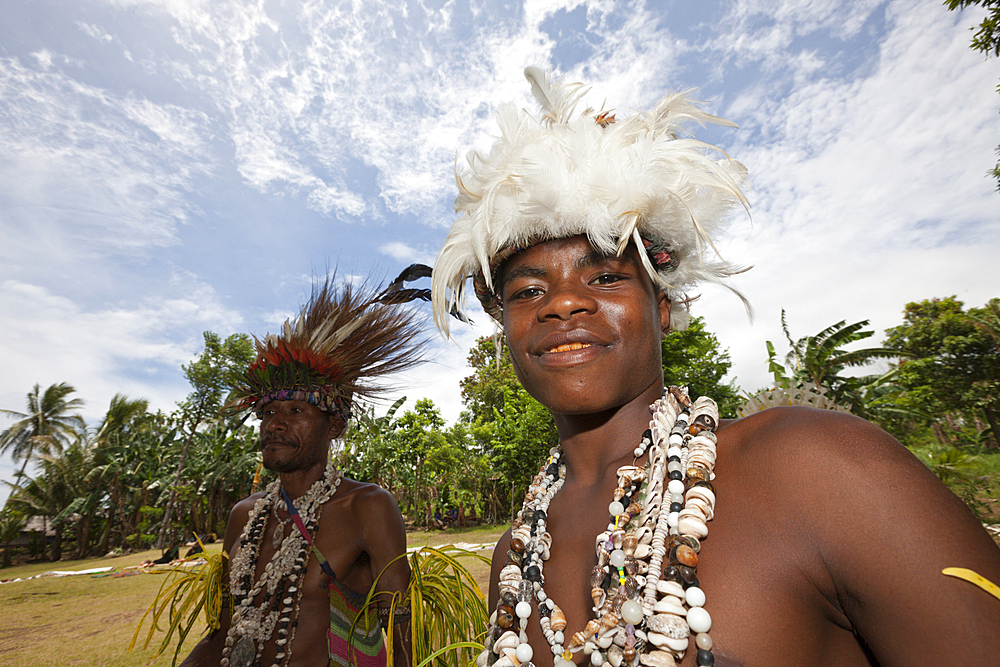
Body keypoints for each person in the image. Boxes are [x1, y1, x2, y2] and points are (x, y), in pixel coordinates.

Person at [431, 68, 1000, 667]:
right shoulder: (513, 559)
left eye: (605, 276)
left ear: (664, 308)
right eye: (526, 290)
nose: (563, 302)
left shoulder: (818, 470)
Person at [181, 277, 421, 667]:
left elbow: (402, 630)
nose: (274, 424)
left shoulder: (365, 507)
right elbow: (225, 632)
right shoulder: (244, 515)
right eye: (269, 412)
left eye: (295, 411)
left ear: (334, 426)